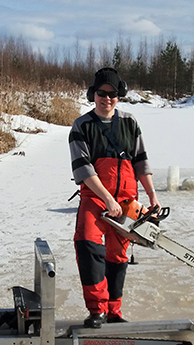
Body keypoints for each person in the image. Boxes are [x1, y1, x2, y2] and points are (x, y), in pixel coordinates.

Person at [68, 67, 161, 328]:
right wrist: (107, 199)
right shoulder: (82, 126)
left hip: (127, 200)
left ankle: (113, 311)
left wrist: (152, 196)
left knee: (118, 256)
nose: (107, 99)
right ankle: (96, 310)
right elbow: (83, 168)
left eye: (112, 94)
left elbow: (141, 161)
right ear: (93, 94)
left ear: (119, 96)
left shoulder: (130, 123)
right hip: (96, 198)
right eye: (102, 93)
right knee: (88, 245)